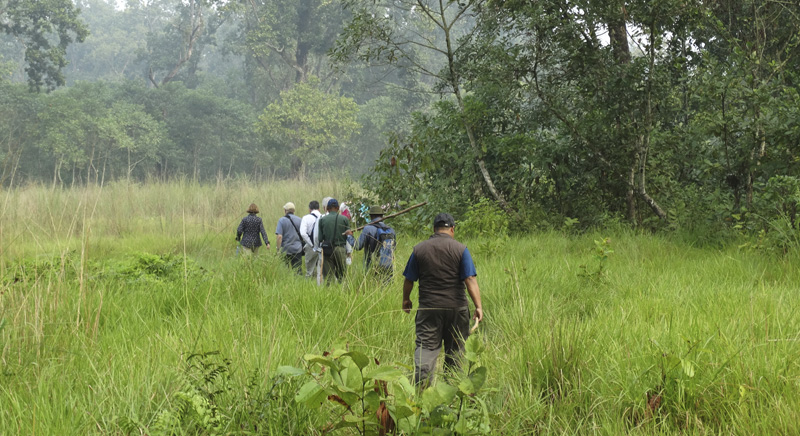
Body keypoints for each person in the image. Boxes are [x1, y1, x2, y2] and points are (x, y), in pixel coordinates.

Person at [401, 213, 483, 387]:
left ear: (434, 229)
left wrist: (406, 299)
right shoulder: (461, 249)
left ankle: (422, 394)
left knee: (426, 350)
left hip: (429, 309)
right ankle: (452, 395)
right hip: (457, 309)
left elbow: (409, 280)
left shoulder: (419, 249)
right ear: (452, 229)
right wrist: (478, 306)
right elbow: (470, 279)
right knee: (456, 354)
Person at [346, 205, 396, 279]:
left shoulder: (368, 229)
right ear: (382, 216)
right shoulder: (391, 230)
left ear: (371, 216)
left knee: (373, 288)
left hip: (372, 266)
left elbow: (358, 246)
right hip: (389, 265)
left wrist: (349, 236)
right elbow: (393, 248)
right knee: (387, 288)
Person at [315, 198, 351, 282]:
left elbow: (320, 238)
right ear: (338, 208)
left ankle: (330, 292)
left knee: (328, 277)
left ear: (327, 208)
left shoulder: (322, 220)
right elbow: (348, 237)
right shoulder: (344, 219)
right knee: (342, 276)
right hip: (341, 249)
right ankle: (342, 292)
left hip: (327, 250)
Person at [275, 202, 304, 273]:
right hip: (297, 249)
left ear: (285, 210)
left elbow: (279, 236)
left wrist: (278, 249)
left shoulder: (281, 220)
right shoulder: (300, 220)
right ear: (294, 211)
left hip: (285, 249)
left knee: (285, 271)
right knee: (297, 271)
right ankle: (299, 282)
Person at [299, 200, 322, 279]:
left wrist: (311, 244)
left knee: (309, 271)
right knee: (321, 270)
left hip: (310, 247)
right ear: (319, 209)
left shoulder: (306, 218)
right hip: (322, 246)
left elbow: (303, 233)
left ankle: (308, 286)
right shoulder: (323, 217)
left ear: (309, 209)